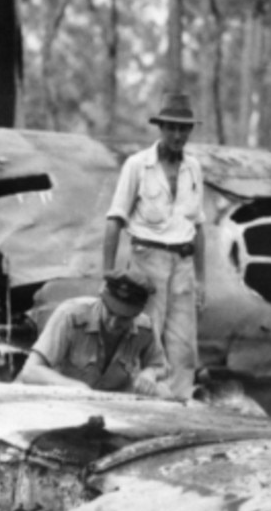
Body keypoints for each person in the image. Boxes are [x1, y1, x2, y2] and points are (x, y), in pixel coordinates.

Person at [102, 92, 207, 400]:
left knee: (183, 345)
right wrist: (108, 273)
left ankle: (178, 407)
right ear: (160, 128)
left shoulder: (194, 169)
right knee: (143, 335)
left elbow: (198, 227)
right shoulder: (138, 166)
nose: (177, 135)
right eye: (171, 127)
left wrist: (202, 279)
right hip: (148, 260)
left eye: (183, 128)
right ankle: (138, 404)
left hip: (184, 264)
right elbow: (114, 220)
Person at [16, 270, 174, 399]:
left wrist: (149, 373)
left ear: (137, 314)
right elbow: (30, 371)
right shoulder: (71, 315)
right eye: (110, 312)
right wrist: (73, 387)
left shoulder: (145, 328)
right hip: (60, 401)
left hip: (108, 405)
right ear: (102, 300)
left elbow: (160, 365)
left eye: (124, 318)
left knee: (164, 393)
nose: (113, 323)